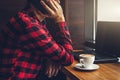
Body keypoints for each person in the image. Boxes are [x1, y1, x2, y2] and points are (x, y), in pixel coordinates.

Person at [0, 0, 74, 80]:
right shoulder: (29, 24)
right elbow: (68, 58)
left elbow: (52, 49)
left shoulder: (31, 19)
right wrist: (60, 19)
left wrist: (49, 58)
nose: (58, 2)